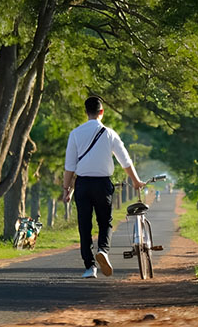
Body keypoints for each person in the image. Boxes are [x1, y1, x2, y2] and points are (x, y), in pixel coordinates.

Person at [61, 95, 145, 278]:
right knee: (105, 221)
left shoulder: (75, 134)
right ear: (102, 112)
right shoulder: (110, 133)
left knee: (84, 225)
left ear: (86, 112)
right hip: (102, 183)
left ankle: (90, 267)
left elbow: (69, 166)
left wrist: (66, 190)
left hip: (82, 184)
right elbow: (125, 161)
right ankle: (104, 251)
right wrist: (136, 181)